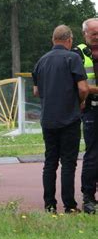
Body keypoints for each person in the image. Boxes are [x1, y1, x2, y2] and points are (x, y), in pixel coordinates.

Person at [32, 25, 88, 214]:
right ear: (69, 40)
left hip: (48, 119)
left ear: (53, 40)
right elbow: (83, 88)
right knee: (68, 163)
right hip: (69, 118)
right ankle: (69, 205)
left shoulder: (41, 61)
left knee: (50, 162)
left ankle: (49, 204)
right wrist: (80, 102)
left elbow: (36, 91)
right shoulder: (72, 58)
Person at [73, 18, 98, 214]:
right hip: (91, 109)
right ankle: (88, 197)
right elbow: (81, 87)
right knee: (93, 154)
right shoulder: (78, 53)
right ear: (85, 35)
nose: (97, 38)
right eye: (93, 34)